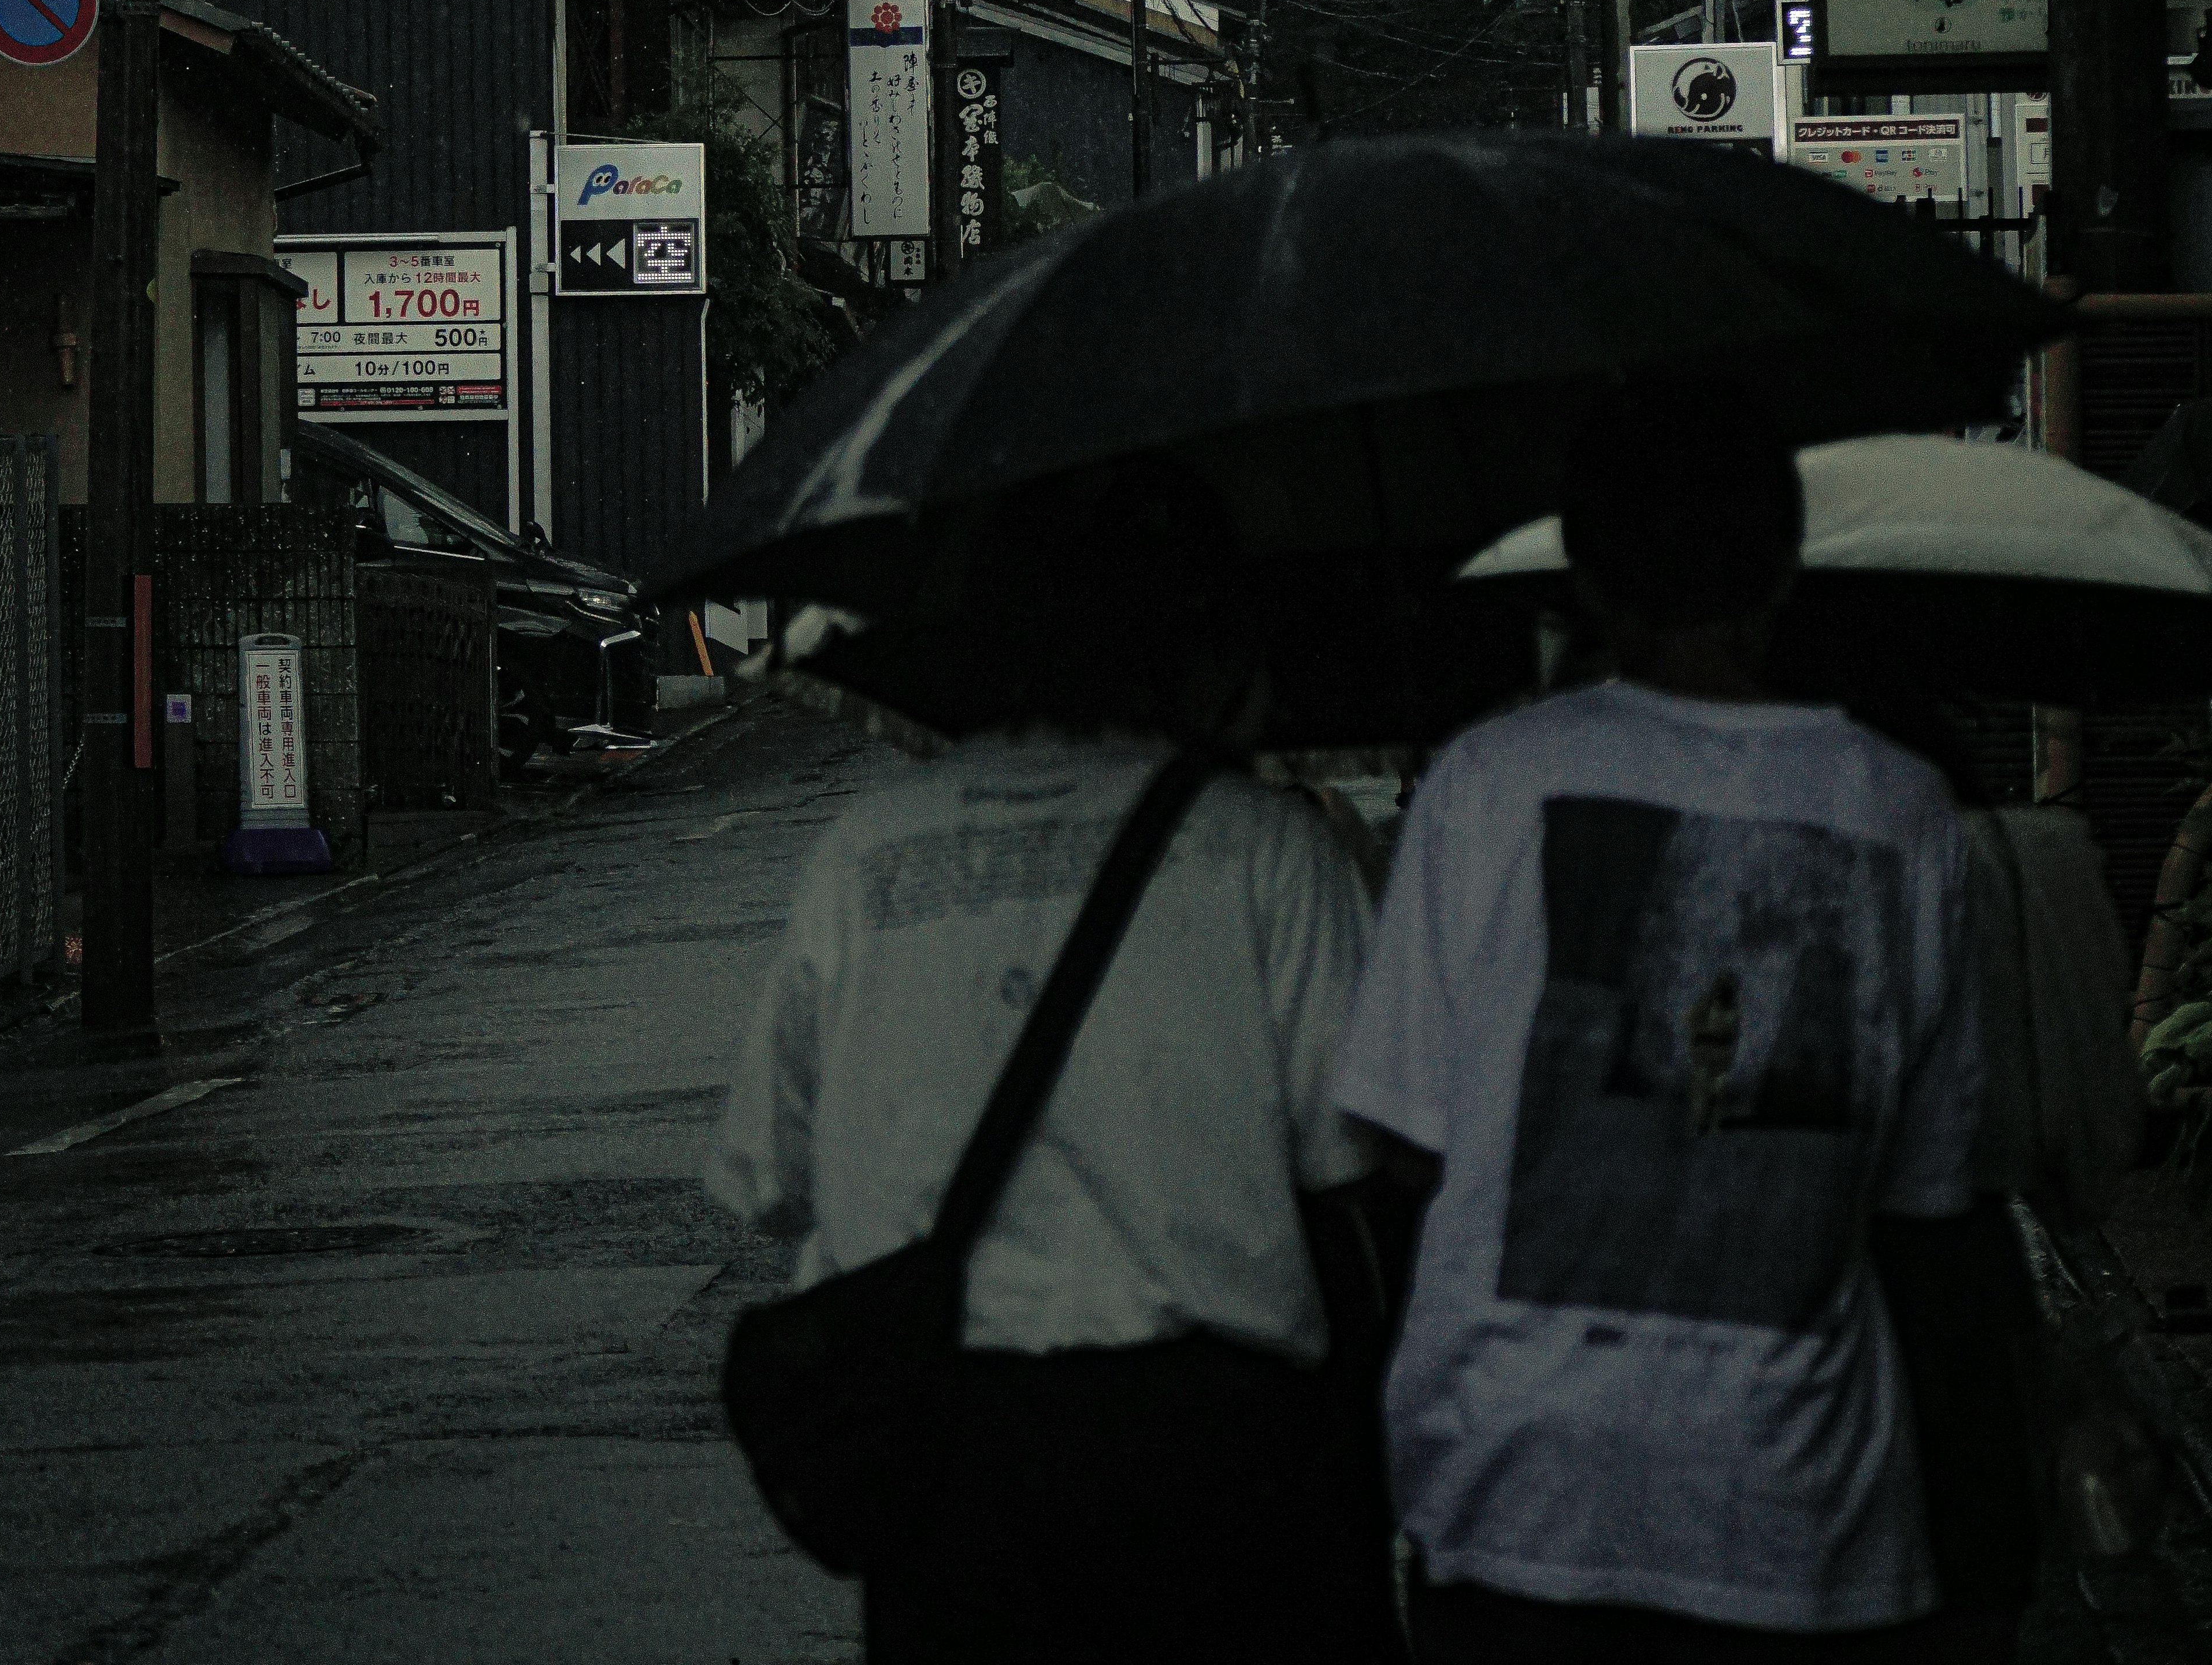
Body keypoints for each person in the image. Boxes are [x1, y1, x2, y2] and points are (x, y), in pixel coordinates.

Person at [1338, 383, 1998, 1662]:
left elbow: (1410, 1146)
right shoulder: (1904, 812)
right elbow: (1930, 1197)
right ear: (1787, 566)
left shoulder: (1484, 781)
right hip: (1792, 1495)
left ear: (1584, 572)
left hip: (1511, 1475)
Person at [704, 460, 1398, 1665]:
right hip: (1221, 1465)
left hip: (950, 1476)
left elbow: (769, 1176)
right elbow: (1358, 1156)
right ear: (1201, 633)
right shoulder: (1263, 851)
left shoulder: (862, 858)